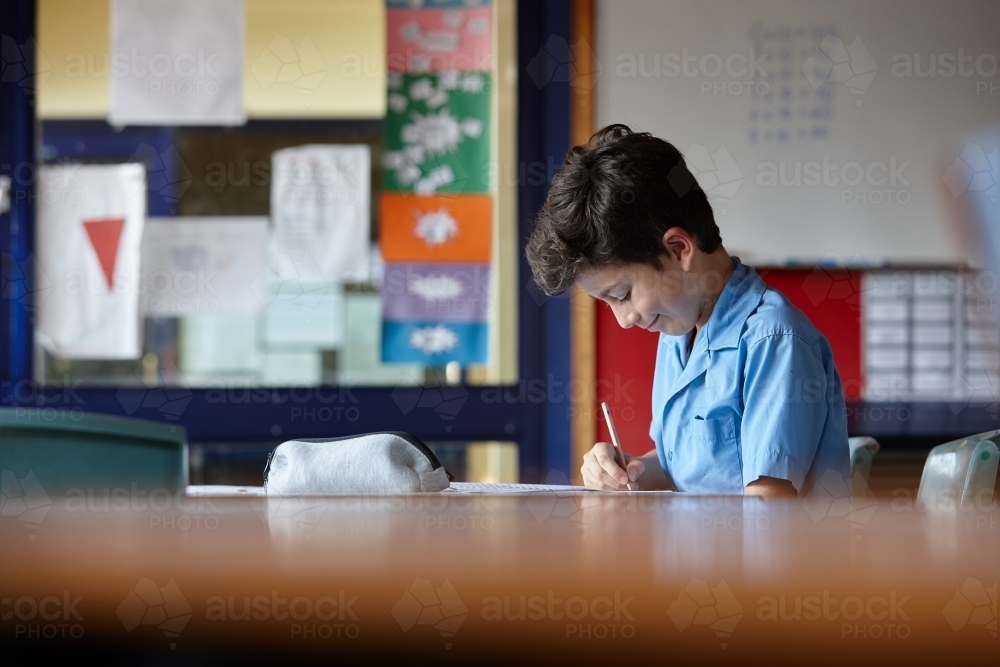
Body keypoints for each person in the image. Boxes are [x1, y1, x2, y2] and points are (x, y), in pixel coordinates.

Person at [526, 124, 849, 498]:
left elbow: (767, 515)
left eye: (624, 294)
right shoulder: (678, 331)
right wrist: (624, 469)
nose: (625, 319)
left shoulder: (772, 341)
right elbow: (678, 468)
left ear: (679, 248)